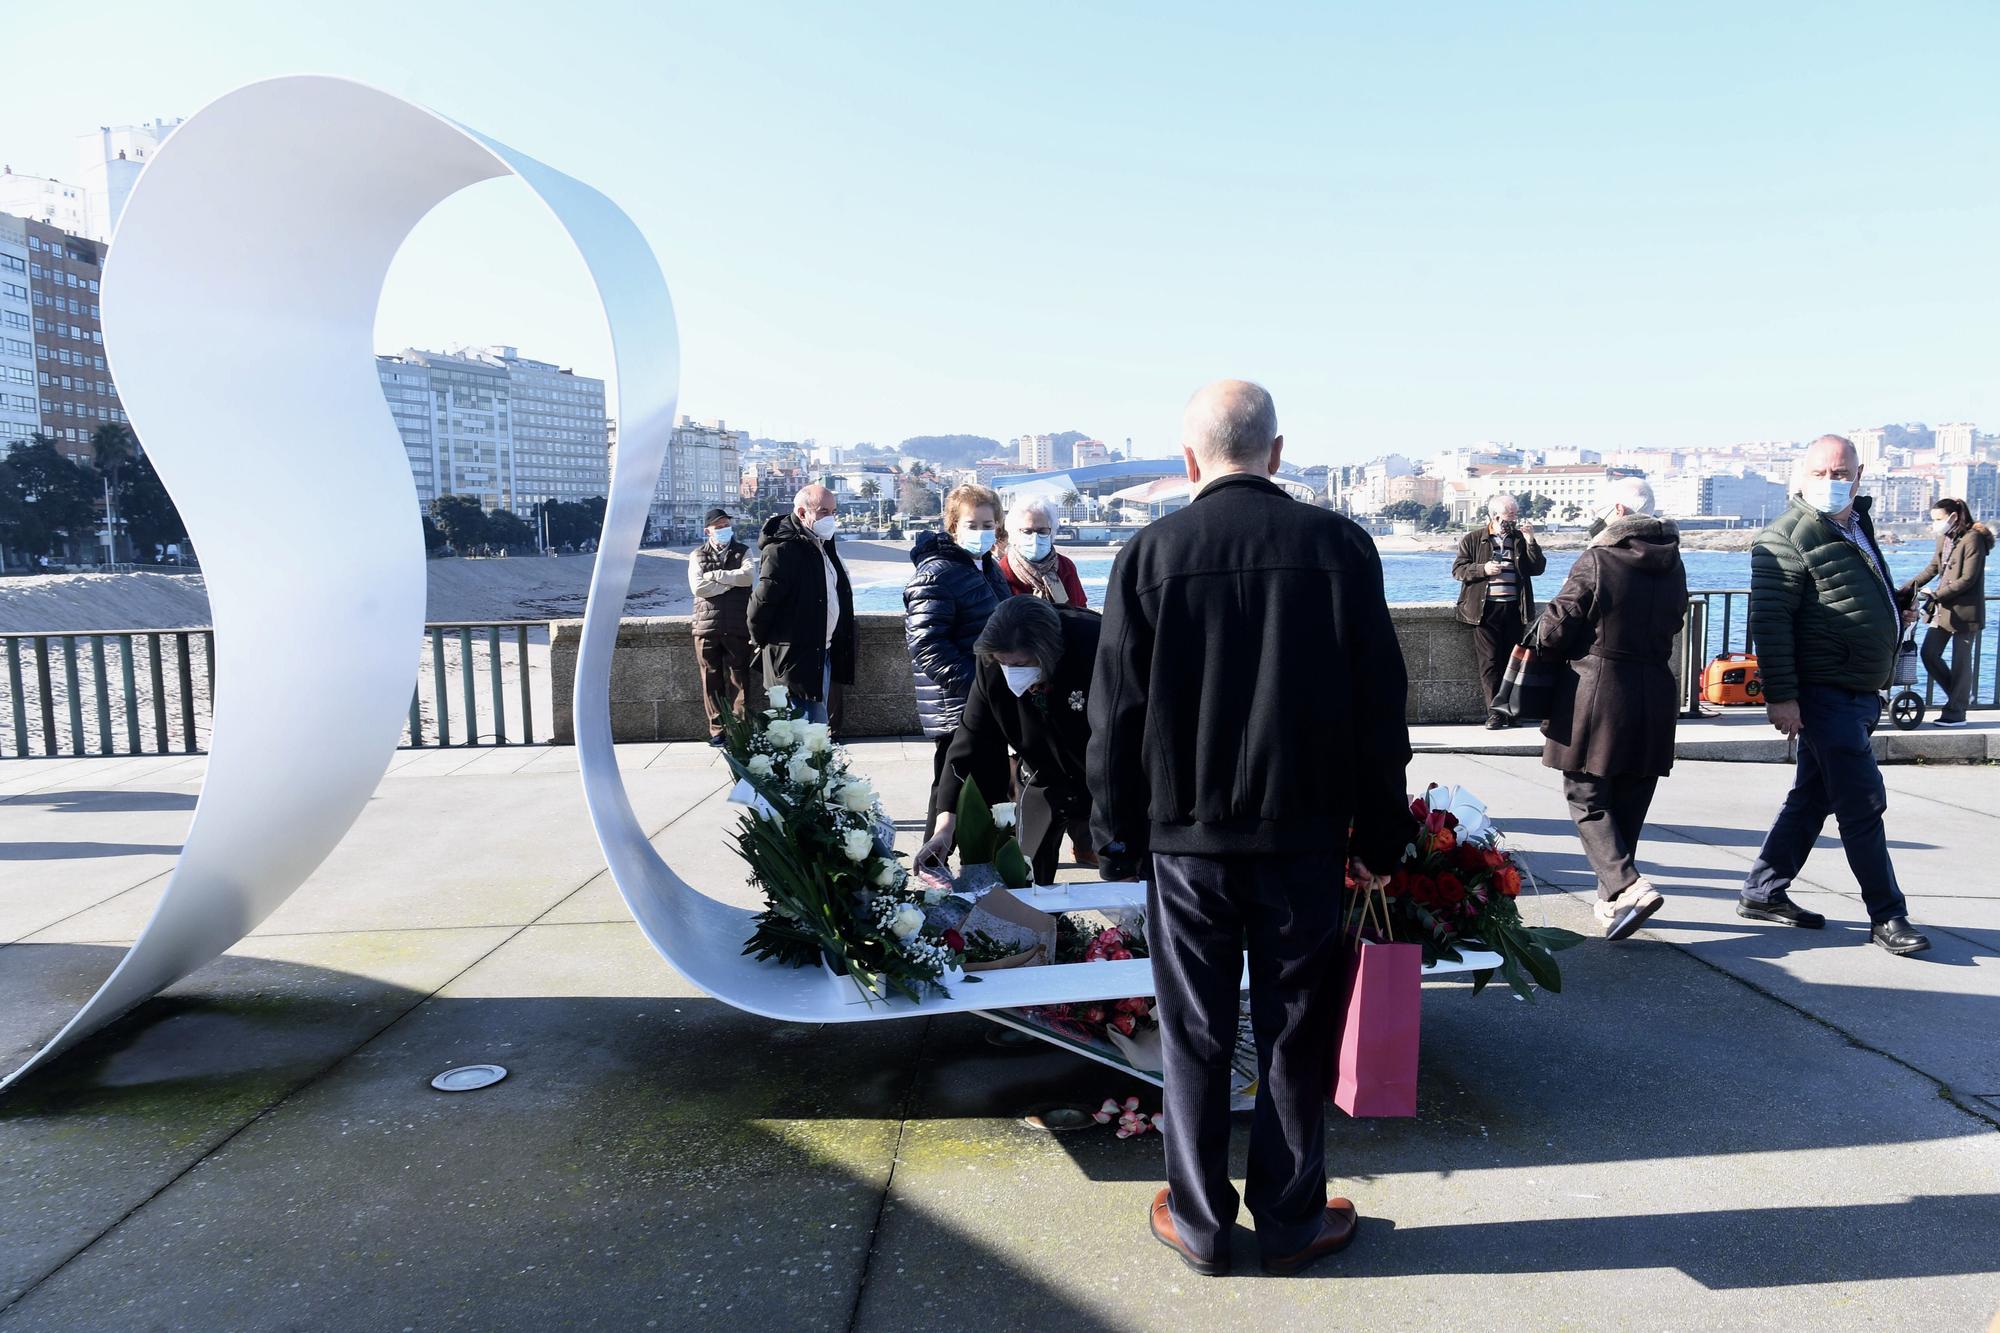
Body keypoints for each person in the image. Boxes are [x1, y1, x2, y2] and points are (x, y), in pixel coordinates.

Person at [1090, 379, 1413, 1278]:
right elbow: (1379, 708)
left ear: (1188, 459)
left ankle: (1198, 1222)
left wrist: (1115, 836)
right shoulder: (1340, 548)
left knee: (1192, 1029)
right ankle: (1288, 1218)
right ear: (1277, 452)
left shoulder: (1148, 554)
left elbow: (1114, 713)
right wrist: (1382, 836)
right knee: (1293, 1029)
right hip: (1304, 836)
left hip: (1186, 842)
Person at [1738, 435, 1930, 956]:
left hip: (1858, 690)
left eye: (1839, 472)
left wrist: (1894, 610)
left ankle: (1763, 891)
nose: (1830, 481)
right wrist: (1781, 698)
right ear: (1801, 475)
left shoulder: (1855, 524)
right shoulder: (1786, 536)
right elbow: (1770, 623)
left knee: (1813, 796)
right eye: (1820, 473)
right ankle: (1887, 915)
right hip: (1825, 694)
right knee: (1862, 801)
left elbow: (1851, 592)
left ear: (1859, 474)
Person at [1530, 477, 1688, 940]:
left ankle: (1628, 885)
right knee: (1630, 797)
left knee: (1586, 794)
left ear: (1617, 510)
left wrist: (1539, 631)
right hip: (1654, 689)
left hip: (1600, 691)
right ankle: (1611, 900)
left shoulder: (1598, 558)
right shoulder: (1674, 563)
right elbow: (1675, 620)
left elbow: (1556, 627)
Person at [917, 596, 1112, 884]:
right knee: (1020, 876)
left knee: (1128, 878)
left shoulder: (1095, 645)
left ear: (1047, 653)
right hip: (1040, 773)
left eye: (1021, 664)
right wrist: (946, 822)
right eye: (1004, 664)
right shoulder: (993, 662)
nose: (1013, 673)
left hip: (1107, 776)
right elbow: (970, 741)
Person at [904, 483, 1012, 835]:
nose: (981, 532)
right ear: (953, 526)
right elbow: (927, 644)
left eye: (988, 525)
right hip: (957, 704)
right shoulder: (936, 573)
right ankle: (935, 866)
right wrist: (978, 686)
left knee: (991, 788)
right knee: (949, 792)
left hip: (989, 698)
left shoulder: (986, 567)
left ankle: (986, 867)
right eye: (972, 524)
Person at [747, 485, 854, 726]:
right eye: (824, 511)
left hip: (820, 652)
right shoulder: (782, 550)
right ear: (802, 512)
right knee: (803, 730)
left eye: (834, 511)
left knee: (816, 727)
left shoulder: (822, 545)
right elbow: (761, 603)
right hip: (793, 657)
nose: (830, 518)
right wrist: (759, 641)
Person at [1453, 493, 1547, 729]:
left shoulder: (1519, 539)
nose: (1514, 519)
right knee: (1490, 663)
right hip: (1484, 610)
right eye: (1510, 515)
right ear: (1496, 516)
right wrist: (1483, 569)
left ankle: (1513, 711)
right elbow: (1458, 570)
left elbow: (1537, 568)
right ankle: (1495, 713)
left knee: (1513, 662)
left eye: (1515, 514)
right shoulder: (1474, 539)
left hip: (1515, 608)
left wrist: (1531, 540)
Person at [1897, 498, 1991, 729]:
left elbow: (1968, 579)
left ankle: (1956, 712)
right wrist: (1907, 588)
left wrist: (1936, 595)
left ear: (1953, 517)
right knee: (1929, 653)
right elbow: (1933, 568)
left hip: (1965, 613)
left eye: (1938, 519)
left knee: (1961, 662)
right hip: (1943, 612)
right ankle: (1959, 698)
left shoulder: (1973, 539)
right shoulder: (1945, 538)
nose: (1935, 524)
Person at [687, 506, 763, 746]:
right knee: (711, 679)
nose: (723, 530)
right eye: (718, 527)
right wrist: (731, 580)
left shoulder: (743, 551)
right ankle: (718, 730)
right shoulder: (697, 554)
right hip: (706, 627)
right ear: (707, 530)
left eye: (726, 525)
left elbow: (748, 578)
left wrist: (715, 576)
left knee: (739, 678)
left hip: (737, 625)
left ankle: (739, 729)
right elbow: (698, 587)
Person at [999, 497, 1089, 606]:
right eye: (1027, 531)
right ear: (1014, 533)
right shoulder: (1002, 570)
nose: (1035, 537)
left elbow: (1080, 608)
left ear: (1051, 531)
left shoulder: (1066, 566)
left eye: (1042, 531)